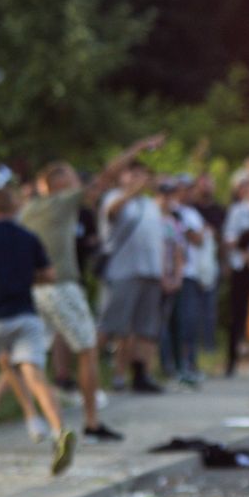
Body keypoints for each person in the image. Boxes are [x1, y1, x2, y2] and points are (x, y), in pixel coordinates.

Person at [23, 139, 162, 444]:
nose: (79, 184)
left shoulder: (29, 209)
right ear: (59, 184)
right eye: (72, 178)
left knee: (26, 357)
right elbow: (107, 175)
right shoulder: (60, 202)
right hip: (61, 287)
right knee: (87, 350)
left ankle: (10, 414)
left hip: (33, 291)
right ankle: (91, 423)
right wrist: (137, 148)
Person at [0, 187, 75, 476]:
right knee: (34, 373)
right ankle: (59, 431)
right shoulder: (28, 237)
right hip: (26, 314)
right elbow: (49, 275)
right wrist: (22, 277)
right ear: (17, 207)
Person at [98, 158, 168, 395]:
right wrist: (135, 188)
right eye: (133, 174)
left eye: (142, 175)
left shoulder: (150, 204)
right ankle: (112, 375)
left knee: (146, 329)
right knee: (117, 327)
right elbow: (113, 212)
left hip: (151, 272)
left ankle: (142, 375)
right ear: (122, 177)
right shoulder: (115, 199)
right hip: (123, 272)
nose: (139, 179)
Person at [163, 177, 219, 386]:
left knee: (191, 322)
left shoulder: (191, 212)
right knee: (182, 322)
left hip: (194, 273)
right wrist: (201, 233)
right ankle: (179, 365)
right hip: (181, 274)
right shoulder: (175, 212)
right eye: (184, 189)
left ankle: (189, 364)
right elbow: (197, 238)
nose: (189, 193)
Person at [222, 175, 249, 377]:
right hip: (242, 267)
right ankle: (231, 359)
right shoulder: (238, 211)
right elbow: (229, 239)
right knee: (238, 314)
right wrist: (244, 252)